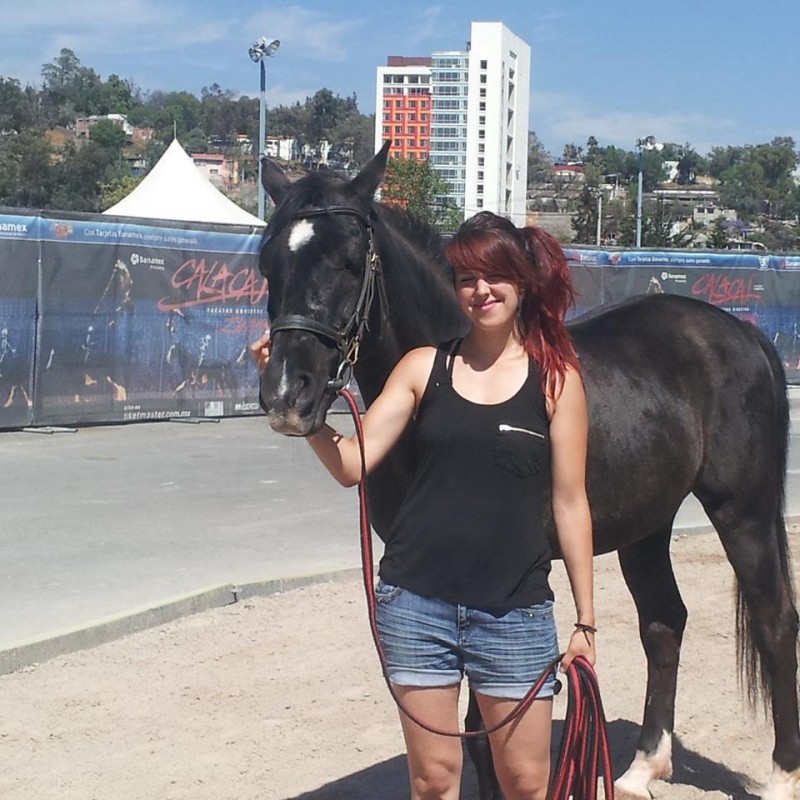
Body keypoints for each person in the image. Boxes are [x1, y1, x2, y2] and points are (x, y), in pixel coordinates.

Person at [250, 211, 594, 800]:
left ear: (523, 282)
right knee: (433, 782)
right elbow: (352, 465)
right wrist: (304, 414)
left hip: (514, 614)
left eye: (495, 276)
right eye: (466, 278)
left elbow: (570, 504)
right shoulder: (422, 367)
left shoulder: (556, 380)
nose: (480, 291)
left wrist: (586, 619)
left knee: (528, 783)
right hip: (417, 608)